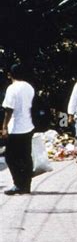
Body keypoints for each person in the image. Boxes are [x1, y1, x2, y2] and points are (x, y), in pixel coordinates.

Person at [1, 63, 35, 195]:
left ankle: (17, 184)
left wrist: (4, 127)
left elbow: (9, 110)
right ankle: (26, 185)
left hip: (15, 127)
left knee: (10, 157)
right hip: (29, 125)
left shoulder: (12, 88)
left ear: (10, 75)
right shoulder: (29, 87)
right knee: (26, 156)